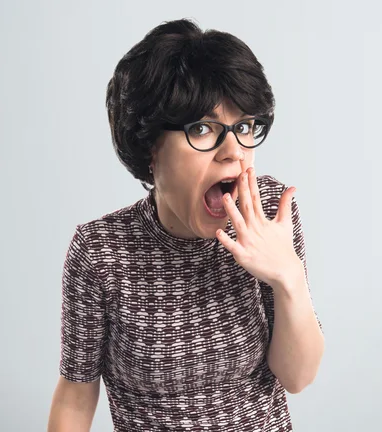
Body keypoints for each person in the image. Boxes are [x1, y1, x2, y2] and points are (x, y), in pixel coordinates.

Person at [48, 18, 324, 432]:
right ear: (149, 147)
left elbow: (297, 378)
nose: (234, 151)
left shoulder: (269, 212)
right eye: (202, 128)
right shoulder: (100, 252)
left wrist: (290, 279)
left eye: (245, 126)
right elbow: (76, 394)